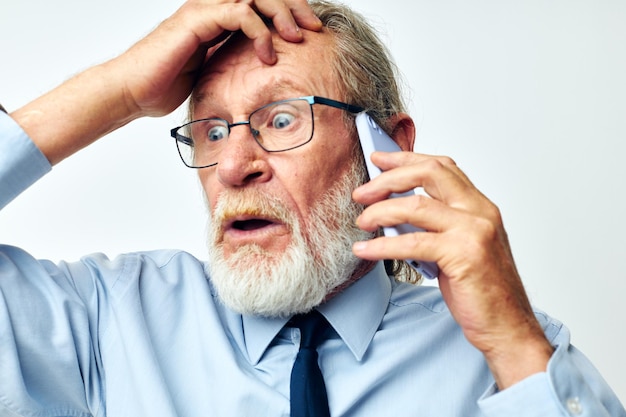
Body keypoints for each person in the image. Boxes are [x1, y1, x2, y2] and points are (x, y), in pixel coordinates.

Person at [0, 0, 624, 416]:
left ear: (387, 147)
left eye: (281, 119)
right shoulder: (105, 320)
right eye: (211, 131)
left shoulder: (508, 360)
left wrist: (513, 341)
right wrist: (121, 88)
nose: (234, 165)